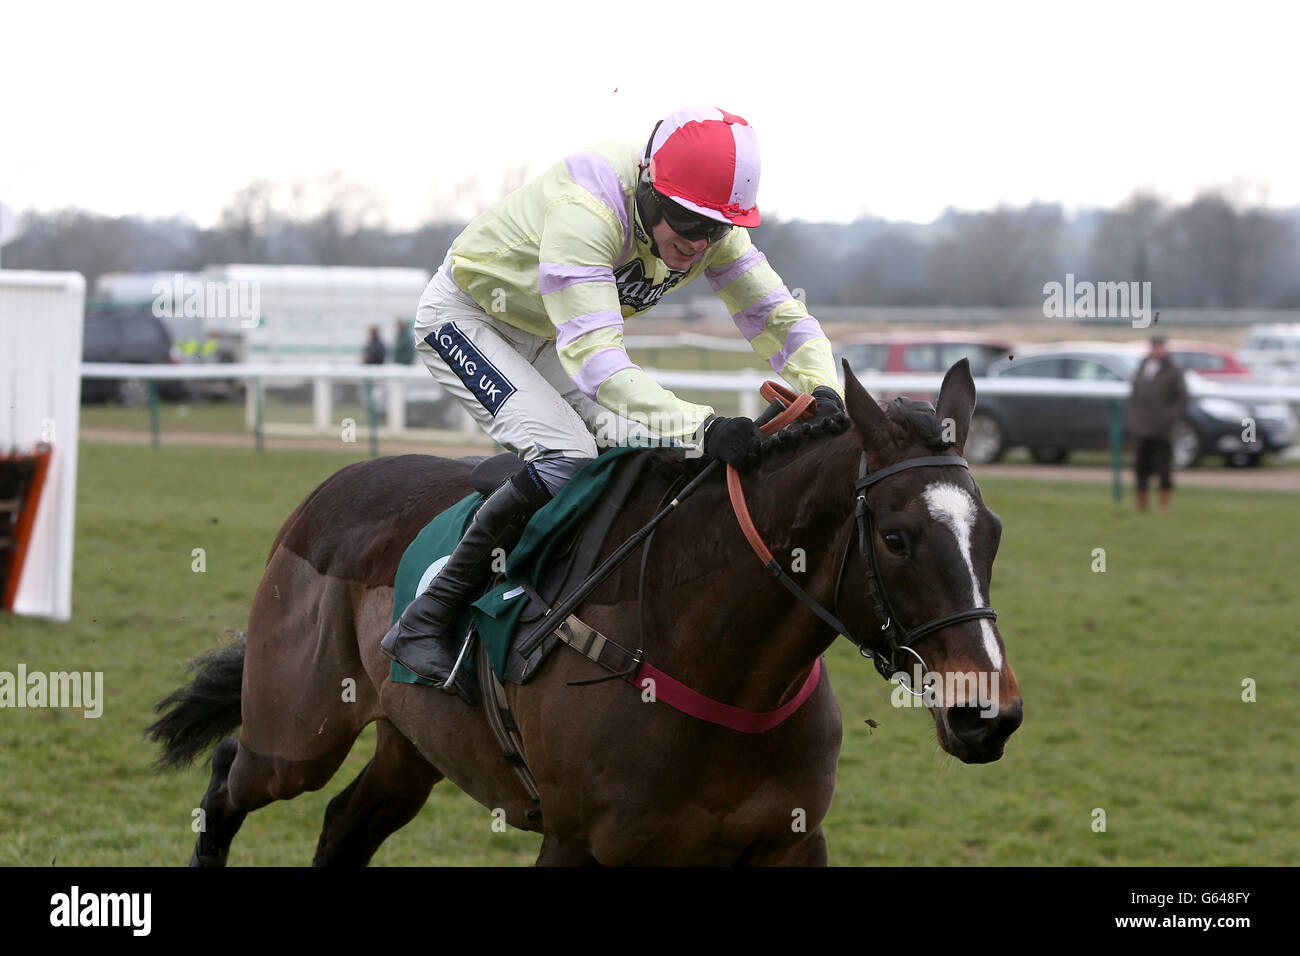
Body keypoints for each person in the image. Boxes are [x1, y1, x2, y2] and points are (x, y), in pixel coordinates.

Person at [381, 106, 846, 685]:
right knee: (566, 452)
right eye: (685, 220)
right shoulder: (586, 211)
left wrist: (823, 389)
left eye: (715, 229)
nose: (698, 243)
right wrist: (705, 426)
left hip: (550, 334)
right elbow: (601, 367)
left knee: (646, 447)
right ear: (650, 188)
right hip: (467, 320)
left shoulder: (708, 221)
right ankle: (428, 617)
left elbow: (777, 317)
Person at [1125, 335, 1189, 511]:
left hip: (1163, 428)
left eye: (1158, 346)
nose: (1155, 350)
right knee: (1141, 466)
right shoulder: (1143, 366)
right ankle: (1141, 501)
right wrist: (1135, 418)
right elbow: (1135, 395)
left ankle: (1164, 503)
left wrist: (1169, 419)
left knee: (1163, 467)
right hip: (1142, 426)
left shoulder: (1173, 369)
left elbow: (1181, 398)